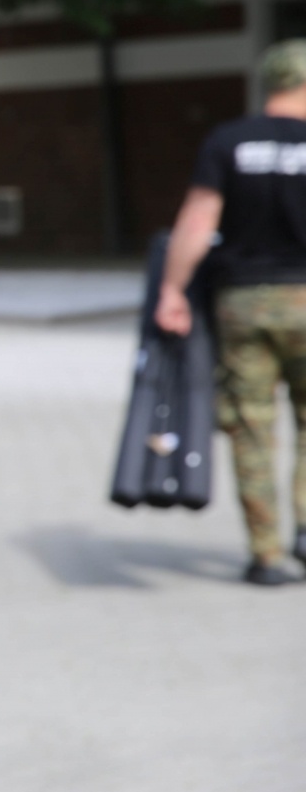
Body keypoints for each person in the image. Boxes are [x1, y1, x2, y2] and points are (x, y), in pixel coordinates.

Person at [157, 40, 306, 587]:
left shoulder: (229, 141)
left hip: (243, 302)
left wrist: (172, 290)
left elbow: (196, 224)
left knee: (251, 427)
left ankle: (265, 554)